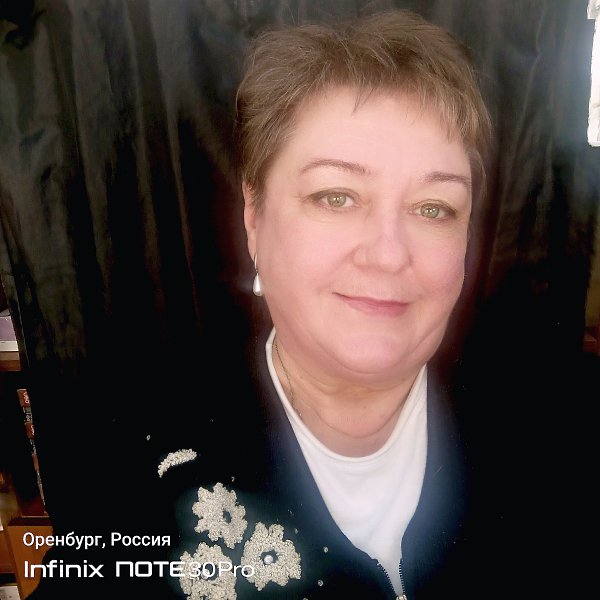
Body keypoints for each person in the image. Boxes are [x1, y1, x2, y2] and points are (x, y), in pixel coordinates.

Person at [29, 9, 494, 600]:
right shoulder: (138, 467)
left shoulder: (562, 435)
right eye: (336, 196)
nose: (388, 254)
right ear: (255, 218)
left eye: (434, 208)